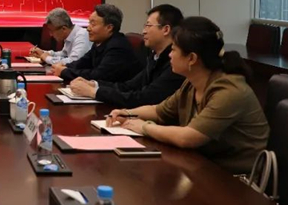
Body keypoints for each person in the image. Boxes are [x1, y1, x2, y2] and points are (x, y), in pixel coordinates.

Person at [106, 16, 269, 175]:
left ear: (191, 58)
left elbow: (188, 137)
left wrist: (144, 127)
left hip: (236, 179)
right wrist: (127, 113)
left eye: (173, 50)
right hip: (204, 165)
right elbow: (159, 111)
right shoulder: (192, 83)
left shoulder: (229, 91)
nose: (169, 55)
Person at [69, 4, 185, 107]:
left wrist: (94, 92)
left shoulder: (176, 63)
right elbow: (128, 86)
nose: (143, 31)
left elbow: (145, 98)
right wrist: (94, 85)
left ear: (166, 29)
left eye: (148, 26)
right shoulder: (155, 57)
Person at [54, 4, 141, 83]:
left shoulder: (118, 47)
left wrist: (65, 71)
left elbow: (98, 75)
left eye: (93, 24)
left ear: (109, 27)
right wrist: (64, 66)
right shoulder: (100, 42)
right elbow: (82, 63)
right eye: (89, 23)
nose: (88, 28)